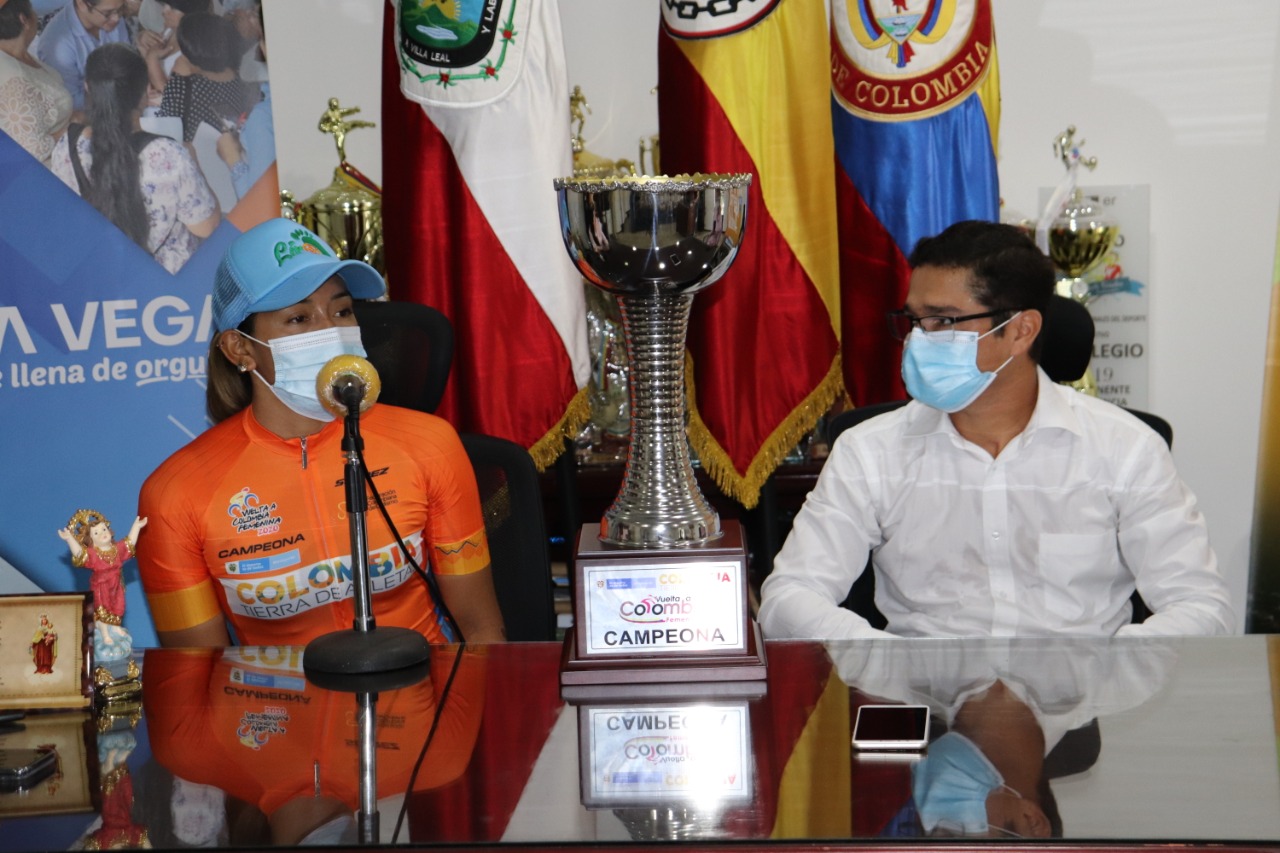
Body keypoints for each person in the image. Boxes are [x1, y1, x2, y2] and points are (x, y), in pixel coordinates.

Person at [758, 220, 1234, 639]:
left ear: (1022, 330)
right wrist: (889, 663)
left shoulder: (1124, 448)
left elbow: (1201, 606)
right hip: (925, 705)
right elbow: (789, 598)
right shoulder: (870, 451)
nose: (919, 340)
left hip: (1074, 711)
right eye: (914, 321)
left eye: (942, 321)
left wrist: (1108, 670)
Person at [135, 218, 507, 648]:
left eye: (342, 310)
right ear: (241, 349)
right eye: (298, 318)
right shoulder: (175, 494)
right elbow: (196, 680)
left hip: (422, 700)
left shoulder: (431, 445)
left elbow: (482, 633)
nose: (331, 331)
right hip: (277, 709)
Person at [50, 42, 220, 272]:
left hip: (103, 281)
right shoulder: (169, 155)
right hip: (169, 287)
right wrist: (195, 162)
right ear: (144, 92)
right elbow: (206, 227)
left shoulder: (66, 148)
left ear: (88, 87)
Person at [57, 508, 147, 657]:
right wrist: (70, 539)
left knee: (118, 604)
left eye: (103, 529)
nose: (103, 533)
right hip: (101, 586)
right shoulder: (93, 554)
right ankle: (105, 633)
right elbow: (80, 554)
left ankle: (115, 626)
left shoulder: (116, 549)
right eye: (96, 533)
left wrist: (136, 527)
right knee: (102, 608)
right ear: (91, 541)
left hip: (116, 583)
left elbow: (129, 543)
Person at [155, 11, 250, 144]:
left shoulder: (182, 85)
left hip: (193, 159)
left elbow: (165, 130)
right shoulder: (238, 77)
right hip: (232, 156)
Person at [0, 0, 73, 164]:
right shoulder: (13, 79)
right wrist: (72, 129)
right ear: (23, 20)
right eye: (32, 11)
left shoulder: (18, 55)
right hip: (50, 173)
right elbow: (31, 151)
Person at [34, 0, 129, 112]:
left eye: (121, 9)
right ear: (82, 4)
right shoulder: (58, 46)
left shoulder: (111, 14)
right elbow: (71, 103)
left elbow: (126, 64)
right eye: (107, 13)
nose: (116, 18)